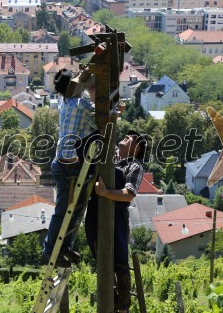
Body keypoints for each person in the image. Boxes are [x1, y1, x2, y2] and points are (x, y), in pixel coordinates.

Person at [41, 68, 98, 268]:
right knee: (67, 209)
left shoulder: (64, 102)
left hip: (62, 161)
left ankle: (64, 247)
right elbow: (99, 122)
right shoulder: (81, 105)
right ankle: (51, 251)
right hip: (70, 164)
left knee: (74, 209)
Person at [85, 130, 146, 313]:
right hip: (94, 213)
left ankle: (122, 308)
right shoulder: (109, 157)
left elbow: (129, 194)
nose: (126, 137)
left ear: (137, 149)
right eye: (126, 136)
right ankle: (108, 303)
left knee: (119, 263)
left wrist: (105, 193)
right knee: (101, 260)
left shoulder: (135, 165)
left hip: (116, 219)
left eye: (131, 139)